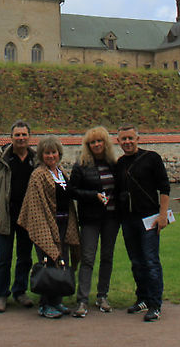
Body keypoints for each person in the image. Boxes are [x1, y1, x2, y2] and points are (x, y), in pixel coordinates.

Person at [17, 135, 80, 319]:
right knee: (48, 263)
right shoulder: (38, 174)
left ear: (59, 154)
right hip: (46, 224)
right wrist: (44, 229)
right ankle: (45, 304)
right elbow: (35, 205)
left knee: (61, 262)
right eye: (47, 153)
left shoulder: (60, 171)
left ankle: (57, 301)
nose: (51, 156)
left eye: (53, 152)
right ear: (41, 155)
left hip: (63, 223)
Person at [115, 124, 170, 322]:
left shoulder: (152, 158)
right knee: (136, 262)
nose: (127, 142)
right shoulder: (120, 163)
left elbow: (164, 187)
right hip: (129, 219)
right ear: (118, 141)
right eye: (124, 139)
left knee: (150, 260)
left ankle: (155, 303)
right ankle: (143, 298)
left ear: (138, 139)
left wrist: (162, 215)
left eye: (131, 138)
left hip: (149, 217)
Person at [0, 120, 37, 313]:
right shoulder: (1, 161)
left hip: (28, 218)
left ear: (29, 137)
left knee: (24, 257)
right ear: (11, 137)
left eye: (24, 135)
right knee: (3, 257)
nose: (21, 138)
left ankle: (20, 291)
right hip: (6, 216)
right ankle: (1, 295)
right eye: (17, 135)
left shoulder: (36, 160)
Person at [68, 126, 119, 317]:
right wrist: (93, 195)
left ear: (105, 143)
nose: (97, 145)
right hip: (90, 219)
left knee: (107, 257)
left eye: (99, 141)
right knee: (87, 258)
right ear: (87, 145)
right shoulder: (81, 165)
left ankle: (102, 295)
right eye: (92, 142)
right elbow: (71, 190)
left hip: (111, 218)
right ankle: (82, 299)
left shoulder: (113, 164)